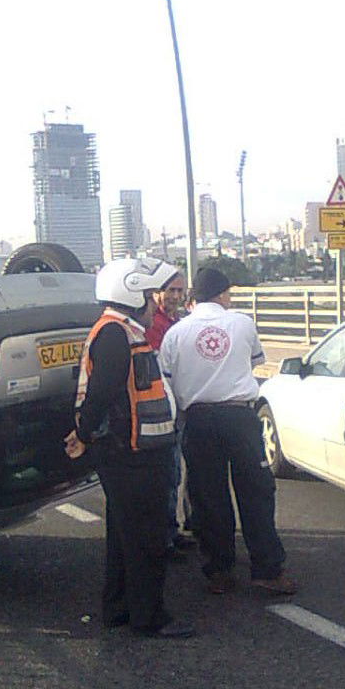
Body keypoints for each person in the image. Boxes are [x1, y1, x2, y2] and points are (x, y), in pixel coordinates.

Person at [65, 257, 194, 639]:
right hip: (130, 452)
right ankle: (148, 616)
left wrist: (86, 434)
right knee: (146, 536)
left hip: (129, 450)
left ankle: (119, 607)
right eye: (149, 295)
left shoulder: (122, 331)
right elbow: (103, 391)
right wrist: (84, 434)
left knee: (124, 535)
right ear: (130, 293)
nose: (155, 303)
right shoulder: (115, 334)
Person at [159, 266, 298, 596]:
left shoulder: (176, 333)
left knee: (208, 497)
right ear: (222, 294)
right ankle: (266, 568)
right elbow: (252, 361)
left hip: (197, 419)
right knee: (256, 493)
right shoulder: (241, 323)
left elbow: (166, 377)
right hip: (239, 418)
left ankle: (219, 570)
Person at [145, 271, 196, 556]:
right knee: (168, 473)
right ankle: (164, 537)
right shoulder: (153, 325)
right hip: (163, 411)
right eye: (171, 291)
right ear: (157, 292)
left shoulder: (177, 323)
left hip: (180, 404)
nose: (176, 296)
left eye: (180, 291)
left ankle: (173, 530)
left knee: (178, 473)